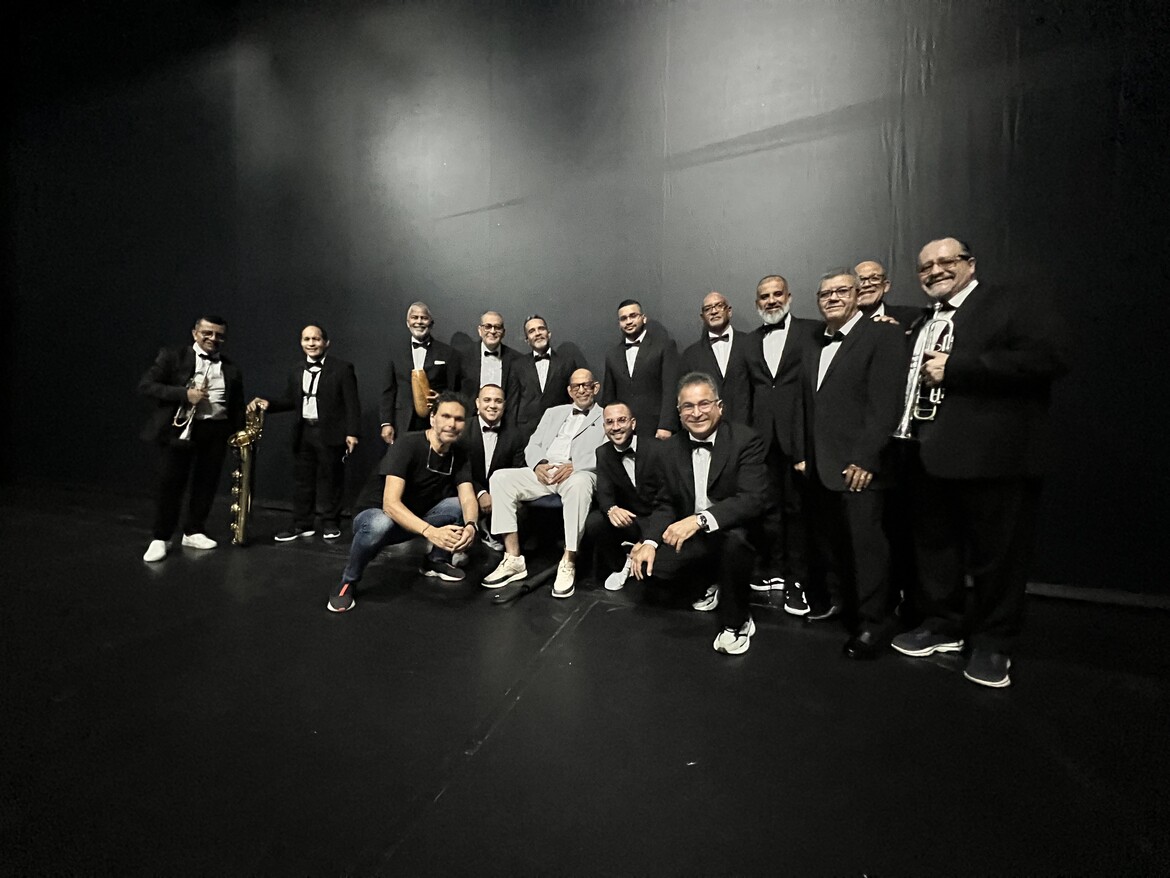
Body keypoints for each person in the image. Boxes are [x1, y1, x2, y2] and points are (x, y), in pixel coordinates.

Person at [890, 237, 1067, 688]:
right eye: (925, 266)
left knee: (997, 558)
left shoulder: (1011, 303)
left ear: (970, 263)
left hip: (994, 459)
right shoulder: (923, 319)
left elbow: (1049, 358)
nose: (934, 271)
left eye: (945, 261)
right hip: (927, 454)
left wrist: (958, 367)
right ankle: (942, 625)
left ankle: (993, 642)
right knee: (936, 550)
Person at [793, 271, 905, 659]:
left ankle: (874, 623)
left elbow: (886, 403)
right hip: (821, 467)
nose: (833, 298)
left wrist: (866, 457)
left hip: (860, 467)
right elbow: (808, 404)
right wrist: (804, 453)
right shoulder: (813, 343)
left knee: (867, 548)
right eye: (825, 293)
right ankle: (849, 609)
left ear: (858, 294)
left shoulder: (883, 335)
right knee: (837, 545)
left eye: (841, 290)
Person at [629, 372, 769, 654]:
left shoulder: (745, 440)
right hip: (697, 536)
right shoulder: (669, 449)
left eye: (704, 403)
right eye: (688, 406)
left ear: (720, 407)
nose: (696, 413)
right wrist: (649, 542)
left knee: (735, 544)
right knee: (653, 570)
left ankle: (738, 621)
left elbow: (753, 499)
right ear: (679, 413)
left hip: (735, 530)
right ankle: (714, 580)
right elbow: (665, 503)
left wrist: (699, 520)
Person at [327, 392, 478, 613]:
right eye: (446, 416)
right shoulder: (408, 443)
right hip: (377, 517)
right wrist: (431, 532)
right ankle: (348, 581)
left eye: (459, 419)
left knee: (457, 506)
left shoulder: (459, 452)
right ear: (432, 418)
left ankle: (436, 560)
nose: (452, 424)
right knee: (380, 523)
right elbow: (390, 504)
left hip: (415, 519)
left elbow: (467, 496)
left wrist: (471, 526)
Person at [482, 368, 606, 598]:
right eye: (576, 386)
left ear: (595, 388)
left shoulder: (606, 416)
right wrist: (538, 464)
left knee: (580, 484)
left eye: (586, 385)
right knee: (500, 478)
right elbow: (534, 444)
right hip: (545, 471)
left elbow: (607, 453)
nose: (581, 390)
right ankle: (513, 558)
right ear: (569, 390)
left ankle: (568, 560)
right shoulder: (553, 413)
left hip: (577, 472)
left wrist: (576, 465)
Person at [138, 315, 244, 562]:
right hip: (181, 430)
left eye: (219, 335)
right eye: (207, 333)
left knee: (206, 483)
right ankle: (161, 537)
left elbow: (236, 405)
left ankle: (194, 530)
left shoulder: (231, 368)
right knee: (171, 485)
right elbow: (146, 386)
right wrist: (185, 394)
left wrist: (238, 435)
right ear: (195, 333)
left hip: (215, 431)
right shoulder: (173, 356)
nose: (213, 338)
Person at [743, 275, 821, 610]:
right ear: (756, 303)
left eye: (777, 294)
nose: (771, 300)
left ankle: (797, 580)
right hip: (762, 441)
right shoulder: (749, 341)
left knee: (798, 511)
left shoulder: (813, 331)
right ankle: (773, 570)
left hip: (799, 439)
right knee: (768, 509)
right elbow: (744, 393)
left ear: (789, 297)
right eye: (765, 296)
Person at [249, 325, 360, 542]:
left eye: (316, 339)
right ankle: (302, 523)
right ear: (301, 343)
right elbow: (291, 400)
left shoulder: (342, 368)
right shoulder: (296, 369)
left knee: (331, 479)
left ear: (326, 343)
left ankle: (330, 522)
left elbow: (352, 403)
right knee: (303, 480)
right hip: (304, 432)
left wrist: (352, 432)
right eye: (307, 339)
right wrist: (269, 404)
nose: (311, 343)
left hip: (330, 432)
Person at [582, 402, 663, 591]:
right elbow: (604, 492)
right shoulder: (603, 452)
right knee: (595, 521)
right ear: (604, 427)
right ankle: (622, 564)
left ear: (633, 423)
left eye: (621, 420)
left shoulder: (657, 448)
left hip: (658, 519)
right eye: (610, 422)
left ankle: (643, 555)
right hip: (631, 519)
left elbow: (669, 498)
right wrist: (612, 509)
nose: (616, 427)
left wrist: (647, 538)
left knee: (657, 584)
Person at [379, 301, 465, 444]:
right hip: (403, 422)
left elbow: (455, 389)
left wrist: (442, 399)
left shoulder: (448, 353)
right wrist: (386, 423)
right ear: (408, 323)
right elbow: (388, 391)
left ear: (431, 323)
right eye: (415, 317)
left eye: (424, 318)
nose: (419, 321)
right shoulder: (395, 353)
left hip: (435, 421)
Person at [455, 383, 526, 552]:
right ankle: (459, 546)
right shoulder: (462, 430)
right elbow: (458, 470)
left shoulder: (515, 434)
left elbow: (517, 471)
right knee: (456, 506)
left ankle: (504, 547)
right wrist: (480, 493)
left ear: (504, 405)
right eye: (487, 400)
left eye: (498, 401)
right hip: (466, 489)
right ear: (477, 403)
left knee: (523, 511)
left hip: (500, 494)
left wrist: (497, 496)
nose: (492, 405)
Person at [602, 299, 679, 439]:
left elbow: (671, 389)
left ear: (643, 318)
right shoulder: (612, 355)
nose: (629, 321)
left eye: (633, 316)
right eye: (623, 318)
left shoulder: (664, 346)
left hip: (656, 429)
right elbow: (609, 396)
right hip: (623, 432)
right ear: (619, 324)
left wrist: (666, 426)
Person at [678, 291, 752, 424]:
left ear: (729, 311)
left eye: (719, 306)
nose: (714, 311)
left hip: (748, 425)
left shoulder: (751, 343)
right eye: (708, 309)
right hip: (708, 427)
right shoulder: (690, 354)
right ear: (702, 317)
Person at [512, 314, 589, 437]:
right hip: (526, 433)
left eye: (541, 329)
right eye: (532, 331)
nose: (537, 333)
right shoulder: (517, 365)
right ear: (527, 340)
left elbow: (574, 399)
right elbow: (513, 403)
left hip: (560, 430)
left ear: (549, 334)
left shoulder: (567, 363)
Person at [458, 311, 525, 412]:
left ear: (503, 332)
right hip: (470, 418)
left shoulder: (516, 359)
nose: (493, 331)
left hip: (505, 418)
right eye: (488, 327)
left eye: (497, 327)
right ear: (480, 330)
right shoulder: (463, 356)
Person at [854, 260, 921, 325]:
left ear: (886, 286)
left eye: (874, 278)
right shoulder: (847, 321)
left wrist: (896, 330)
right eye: (860, 280)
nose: (867, 284)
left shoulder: (912, 317)